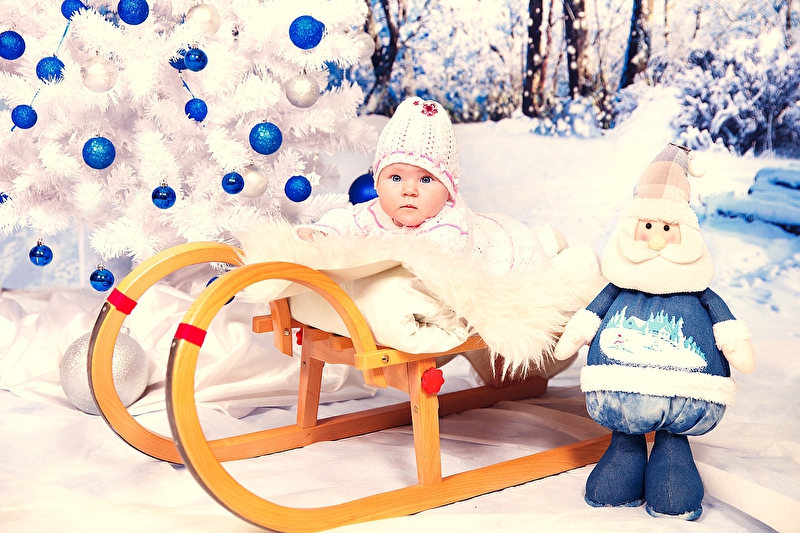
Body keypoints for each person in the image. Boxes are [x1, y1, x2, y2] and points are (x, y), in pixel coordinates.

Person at [295, 96, 567, 276]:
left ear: (448, 190)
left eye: (425, 179)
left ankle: (549, 241)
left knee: (531, 253)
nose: (409, 190)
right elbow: (346, 219)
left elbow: (424, 265)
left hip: (502, 242)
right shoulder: (373, 211)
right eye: (396, 178)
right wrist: (324, 233)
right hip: (489, 224)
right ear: (377, 182)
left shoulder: (450, 225)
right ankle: (549, 238)